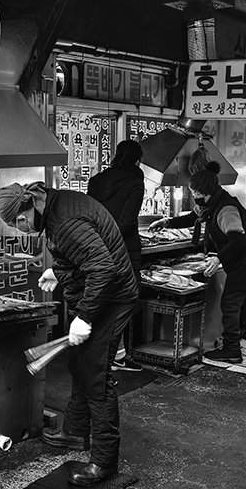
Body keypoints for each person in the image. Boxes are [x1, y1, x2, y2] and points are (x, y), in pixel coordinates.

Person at [0, 182, 138, 487]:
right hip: (98, 292)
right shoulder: (53, 205)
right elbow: (86, 259)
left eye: (19, 223)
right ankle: (74, 430)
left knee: (95, 376)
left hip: (113, 298)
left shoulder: (65, 222)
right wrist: (58, 273)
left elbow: (103, 270)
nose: (21, 229)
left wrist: (84, 318)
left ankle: (104, 462)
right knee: (79, 364)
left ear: (28, 208)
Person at [148, 162, 246, 363]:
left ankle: (231, 349)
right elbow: (193, 217)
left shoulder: (226, 209)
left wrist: (218, 257)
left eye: (194, 192)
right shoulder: (211, 202)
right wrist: (166, 222)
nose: (193, 195)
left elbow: (237, 240)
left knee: (230, 303)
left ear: (205, 192)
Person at [87, 140, 144, 373]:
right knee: (125, 301)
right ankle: (112, 357)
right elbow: (128, 220)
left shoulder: (96, 181)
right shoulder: (135, 183)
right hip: (123, 249)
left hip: (97, 247)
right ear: (137, 160)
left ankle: (112, 355)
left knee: (103, 301)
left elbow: (91, 213)